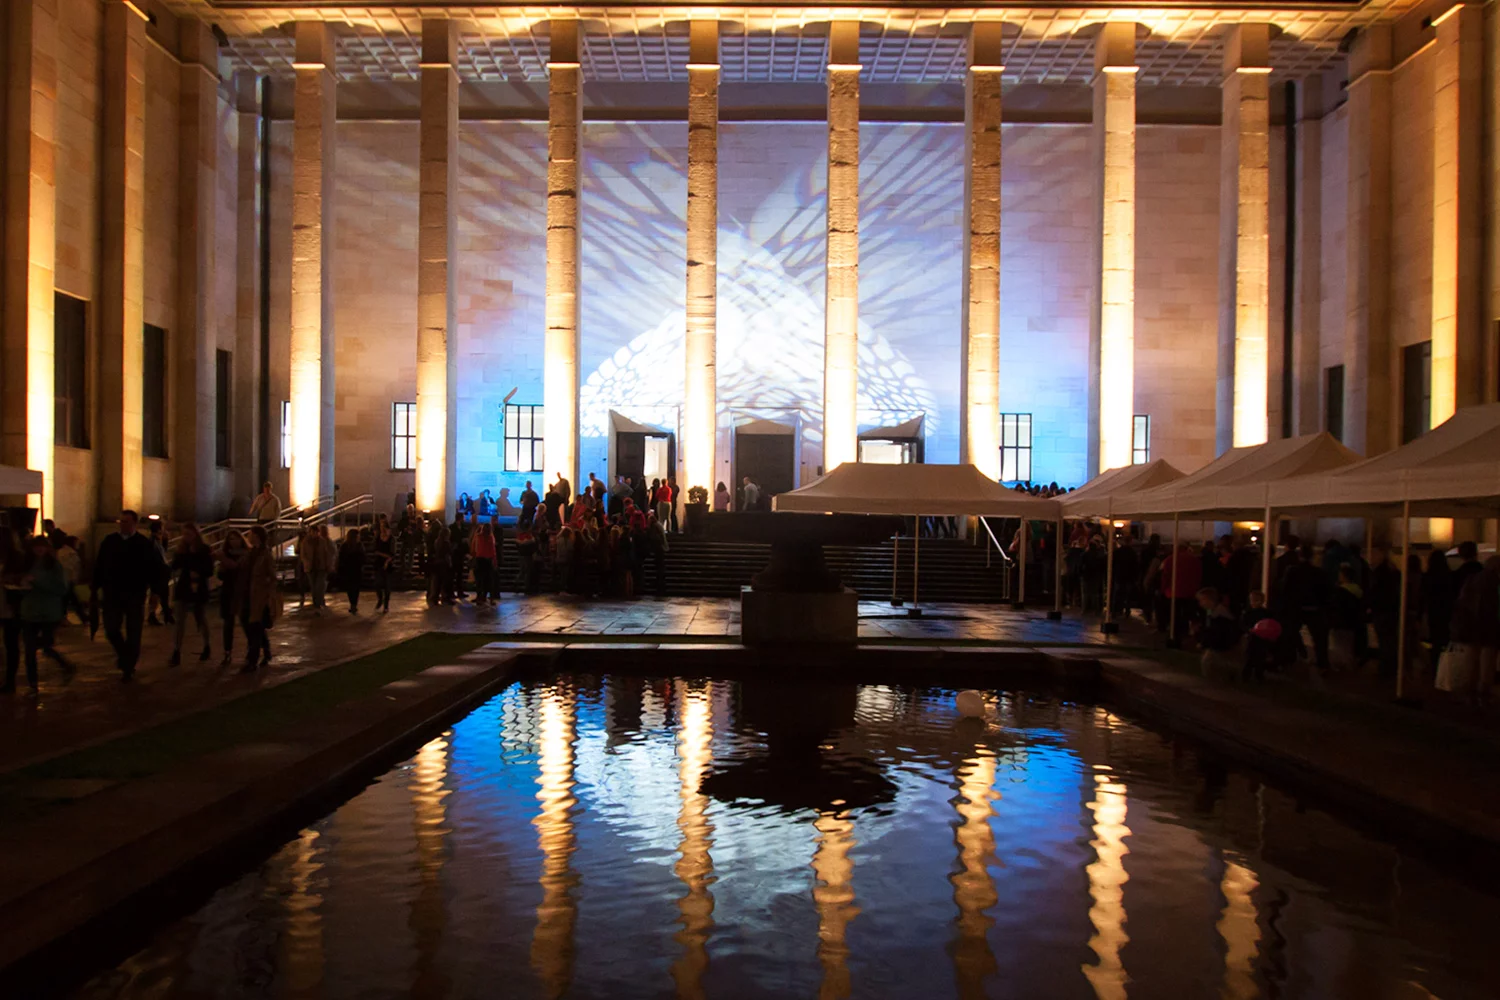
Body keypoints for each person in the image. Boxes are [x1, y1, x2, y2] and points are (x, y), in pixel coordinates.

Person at [93, 510, 161, 681]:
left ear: (134, 523)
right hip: (112, 593)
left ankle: (128, 665)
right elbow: (100, 565)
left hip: (134, 594)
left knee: (134, 631)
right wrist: (95, 587)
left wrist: (154, 591)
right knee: (111, 628)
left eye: (126, 522)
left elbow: (151, 569)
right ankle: (125, 656)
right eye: (121, 521)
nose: (122, 525)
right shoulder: (110, 541)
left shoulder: (142, 544)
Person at [1453, 555, 1500, 706]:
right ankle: (1483, 692)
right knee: (1487, 661)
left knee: (1471, 661)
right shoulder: (1496, 583)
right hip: (1491, 628)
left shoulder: (1472, 580)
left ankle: (1469, 690)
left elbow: (1462, 603)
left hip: (1471, 626)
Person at [168, 522, 215, 665]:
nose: (186, 537)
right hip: (184, 586)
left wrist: (198, 570)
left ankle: (206, 645)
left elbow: (209, 570)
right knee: (180, 620)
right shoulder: (182, 549)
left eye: (189, 534)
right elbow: (175, 566)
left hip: (198, 587)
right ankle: (177, 651)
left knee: (200, 618)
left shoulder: (204, 550)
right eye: (184, 534)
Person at [240, 525, 279, 671]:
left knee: (254, 627)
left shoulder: (265, 554)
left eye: (250, 533)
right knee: (252, 625)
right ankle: (266, 650)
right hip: (247, 594)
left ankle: (252, 660)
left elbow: (272, 576)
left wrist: (268, 593)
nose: (248, 536)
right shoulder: (250, 553)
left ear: (256, 536)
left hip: (258, 596)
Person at [217, 529, 248, 665]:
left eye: (236, 539)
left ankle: (253, 650)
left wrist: (224, 560)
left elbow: (238, 567)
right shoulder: (225, 554)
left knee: (245, 622)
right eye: (230, 539)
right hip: (228, 591)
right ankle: (227, 651)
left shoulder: (246, 555)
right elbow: (220, 575)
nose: (233, 542)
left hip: (241, 591)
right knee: (228, 623)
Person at [1196, 587, 1240, 682]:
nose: (1201, 603)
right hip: (1218, 644)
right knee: (1211, 662)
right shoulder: (1210, 612)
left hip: (1223, 644)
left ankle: (1219, 681)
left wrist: (1205, 643)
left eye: (1202, 600)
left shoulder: (1220, 614)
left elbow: (1217, 632)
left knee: (1209, 662)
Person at [0, 529, 26, 688]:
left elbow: (23, 581)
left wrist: (12, 580)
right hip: (6, 604)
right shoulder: (16, 557)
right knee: (10, 644)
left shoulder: (17, 559)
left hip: (10, 606)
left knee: (11, 643)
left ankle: (9, 680)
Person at [1241, 590, 1275, 683]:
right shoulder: (1248, 612)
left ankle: (1259, 675)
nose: (1253, 602)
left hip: (1262, 638)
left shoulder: (1265, 613)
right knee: (1250, 657)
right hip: (1252, 637)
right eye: (1252, 600)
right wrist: (1248, 630)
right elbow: (1243, 624)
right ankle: (1246, 675)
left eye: (1256, 600)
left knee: (1261, 657)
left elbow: (1270, 624)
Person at [302, 524, 335, 613]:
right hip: (311, 567)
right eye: (312, 532)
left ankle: (318, 602)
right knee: (313, 586)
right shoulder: (306, 542)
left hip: (321, 566)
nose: (314, 534)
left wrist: (328, 564)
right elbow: (303, 554)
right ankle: (316, 602)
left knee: (319, 586)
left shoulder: (322, 541)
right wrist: (306, 562)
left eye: (316, 532)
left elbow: (326, 553)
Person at [337, 531, 366, 613]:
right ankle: (353, 604)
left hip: (353, 569)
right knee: (353, 588)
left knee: (353, 588)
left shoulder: (355, 545)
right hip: (352, 569)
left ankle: (353, 604)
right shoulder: (349, 546)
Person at [372, 520, 395, 612]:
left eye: (384, 528)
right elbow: (375, 550)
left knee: (387, 586)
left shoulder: (391, 539)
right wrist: (384, 555)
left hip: (388, 564)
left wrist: (387, 560)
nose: (383, 530)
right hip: (378, 563)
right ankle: (380, 599)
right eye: (381, 528)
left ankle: (386, 605)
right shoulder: (377, 538)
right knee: (377, 584)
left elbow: (392, 554)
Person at [472, 522, 497, 606]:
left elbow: (474, 547)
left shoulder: (478, 536)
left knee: (480, 580)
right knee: (489, 580)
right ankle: (489, 598)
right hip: (487, 559)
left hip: (480, 559)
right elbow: (492, 550)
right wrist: (494, 560)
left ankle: (480, 597)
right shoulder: (490, 537)